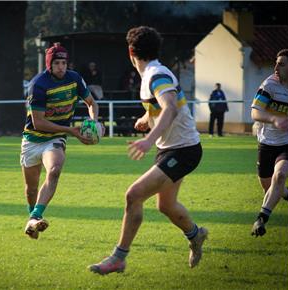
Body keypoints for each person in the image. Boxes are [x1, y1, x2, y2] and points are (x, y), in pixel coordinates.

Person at [89, 26, 207, 275]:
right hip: (172, 149)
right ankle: (196, 235)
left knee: (133, 195)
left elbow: (170, 108)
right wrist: (147, 117)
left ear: (130, 51)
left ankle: (119, 258)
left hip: (183, 150)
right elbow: (163, 105)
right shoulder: (153, 75)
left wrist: (148, 139)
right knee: (165, 205)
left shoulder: (156, 75)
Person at [21, 42, 102, 239]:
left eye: (64, 62)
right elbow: (38, 123)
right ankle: (32, 220)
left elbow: (91, 102)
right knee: (31, 189)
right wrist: (71, 130)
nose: (61, 66)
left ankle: (36, 215)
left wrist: (94, 122)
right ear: (50, 64)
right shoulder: (38, 84)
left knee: (55, 170)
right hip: (32, 139)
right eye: (57, 62)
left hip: (55, 139)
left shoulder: (74, 79)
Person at [250, 48, 288, 237]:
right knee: (271, 187)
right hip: (267, 142)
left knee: (280, 175)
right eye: (276, 62)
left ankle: (260, 219)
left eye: (281, 64)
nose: (275, 67)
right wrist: (274, 119)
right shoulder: (269, 85)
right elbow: (255, 112)